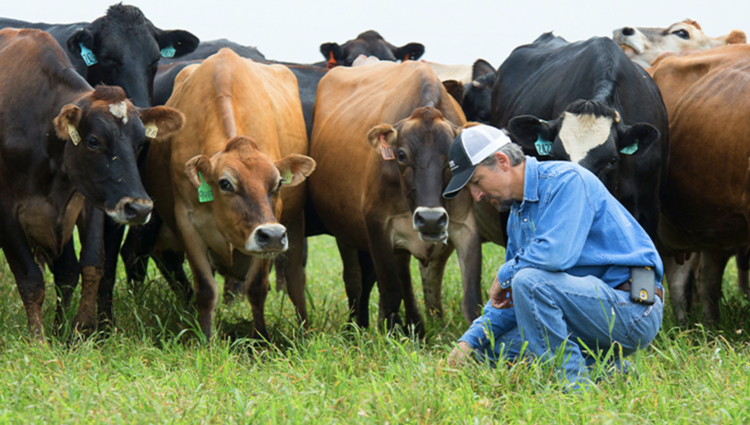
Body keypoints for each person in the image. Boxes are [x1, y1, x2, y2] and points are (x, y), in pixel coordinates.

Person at [443, 124, 663, 387]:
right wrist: (468, 342)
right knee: (487, 348)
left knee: (528, 281)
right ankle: (609, 371)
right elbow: (510, 300)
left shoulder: (568, 180)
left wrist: (505, 275)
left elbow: (553, 256)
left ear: (502, 161)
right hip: (581, 310)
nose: (477, 196)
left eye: (476, 182)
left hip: (634, 305)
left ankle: (574, 391)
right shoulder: (517, 215)